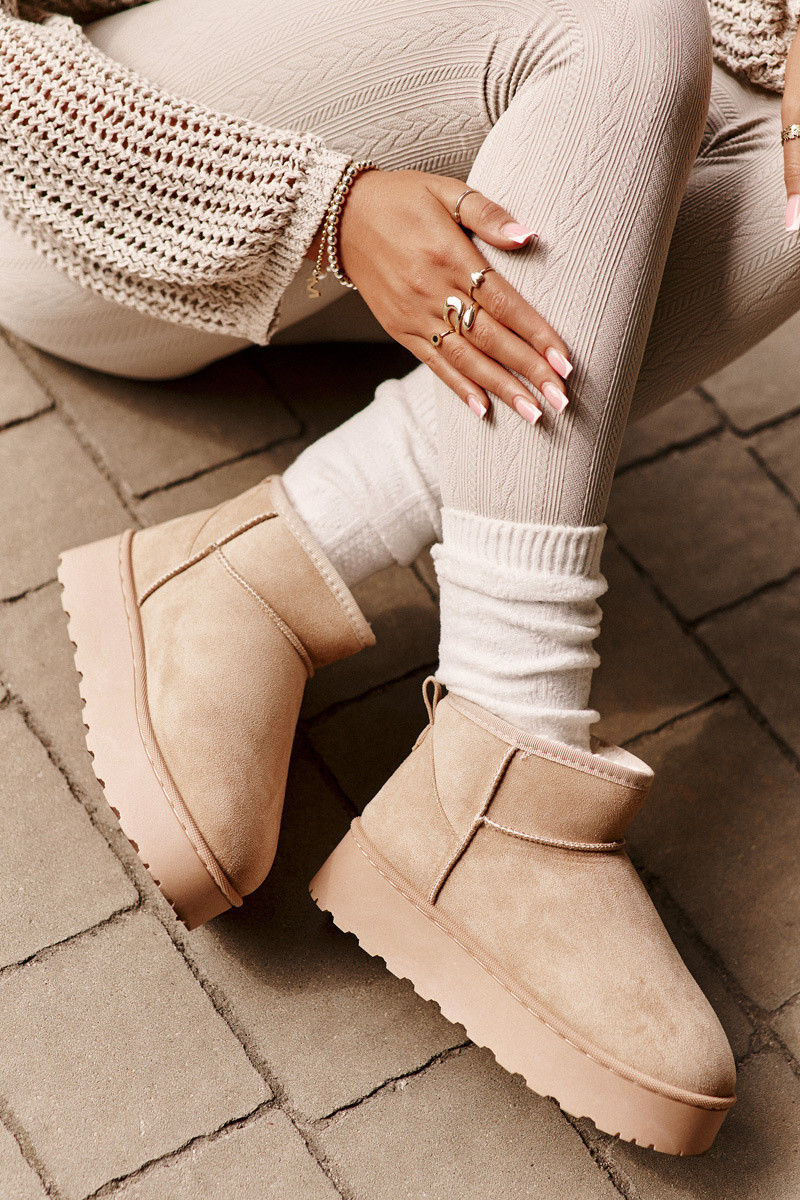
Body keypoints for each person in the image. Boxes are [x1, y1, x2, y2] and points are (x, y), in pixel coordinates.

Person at [3, 0, 799, 1156]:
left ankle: (278, 553)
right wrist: (319, 212)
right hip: (86, 198)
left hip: (401, 173)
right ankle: (509, 751)